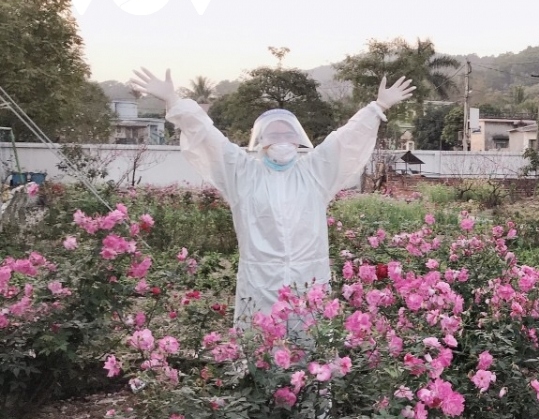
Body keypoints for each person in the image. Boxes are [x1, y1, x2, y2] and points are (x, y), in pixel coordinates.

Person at [130, 67, 415, 324]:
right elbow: (208, 137)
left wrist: (377, 107)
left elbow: (344, 139)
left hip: (308, 279)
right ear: (262, 141)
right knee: (264, 351)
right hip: (260, 285)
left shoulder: (314, 173)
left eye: (286, 134)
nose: (280, 140)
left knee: (310, 356)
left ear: (297, 139)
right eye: (273, 134)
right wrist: (174, 102)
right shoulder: (243, 175)